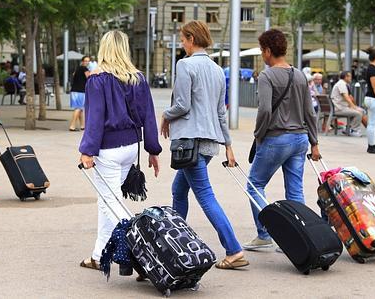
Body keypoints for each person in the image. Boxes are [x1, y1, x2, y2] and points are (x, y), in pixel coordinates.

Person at [160, 20, 247, 270]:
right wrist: (228, 144)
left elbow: (182, 105)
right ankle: (177, 243)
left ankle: (233, 250)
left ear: (191, 39)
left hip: (189, 144)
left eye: (183, 39)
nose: (182, 44)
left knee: (206, 196)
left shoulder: (185, 65)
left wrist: (165, 115)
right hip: (209, 144)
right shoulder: (218, 70)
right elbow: (221, 112)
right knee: (179, 191)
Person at [78, 30, 161, 270]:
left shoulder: (97, 80)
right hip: (131, 147)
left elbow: (95, 119)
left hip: (108, 149)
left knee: (110, 203)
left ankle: (143, 253)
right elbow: (149, 116)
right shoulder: (138, 79)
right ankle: (98, 255)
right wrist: (152, 150)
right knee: (107, 201)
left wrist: (87, 150)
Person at [242, 29, 320, 250]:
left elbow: (265, 110)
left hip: (276, 138)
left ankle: (265, 233)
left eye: (261, 51)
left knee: (255, 185)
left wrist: (258, 135)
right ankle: (301, 235)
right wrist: (314, 143)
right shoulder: (299, 75)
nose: (261, 55)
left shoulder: (267, 76)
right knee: (295, 190)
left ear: (268, 51)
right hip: (300, 139)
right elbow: (309, 112)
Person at [331, 71, 368, 137]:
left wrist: (354, 106)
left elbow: (349, 97)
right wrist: (353, 107)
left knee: (361, 111)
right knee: (359, 113)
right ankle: (354, 130)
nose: (351, 78)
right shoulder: (341, 84)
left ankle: (349, 128)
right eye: (350, 76)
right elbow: (346, 97)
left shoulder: (342, 83)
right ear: (346, 77)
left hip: (340, 107)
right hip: (339, 108)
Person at [69, 56, 90, 131]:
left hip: (74, 90)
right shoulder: (85, 69)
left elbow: (74, 75)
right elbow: (89, 78)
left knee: (80, 108)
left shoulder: (78, 68)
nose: (87, 62)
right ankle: (72, 126)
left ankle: (82, 125)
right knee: (78, 108)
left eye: (88, 61)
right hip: (80, 91)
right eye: (86, 61)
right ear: (82, 61)